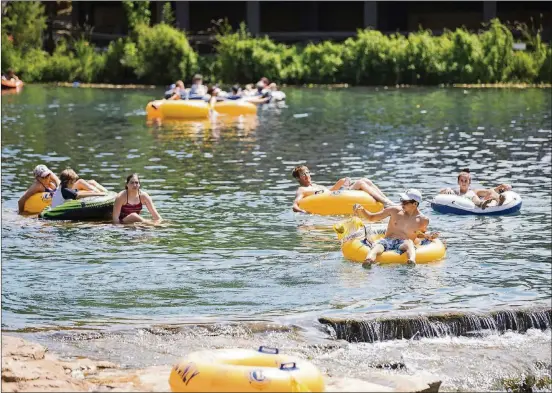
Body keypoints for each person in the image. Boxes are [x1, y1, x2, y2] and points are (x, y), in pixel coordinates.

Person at [353, 189, 439, 266]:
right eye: (402, 200)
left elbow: (419, 235)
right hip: (388, 239)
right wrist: (362, 210)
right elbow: (371, 217)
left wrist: (430, 236)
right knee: (378, 246)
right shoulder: (394, 210)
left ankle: (411, 261)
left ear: (415, 204)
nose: (402, 203)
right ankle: (369, 260)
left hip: (404, 243)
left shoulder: (423, 220)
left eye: (405, 202)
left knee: (409, 244)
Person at [291, 165, 394, 213]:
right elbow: (295, 206)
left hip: (338, 196)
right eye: (303, 174)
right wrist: (304, 212)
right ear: (298, 178)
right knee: (360, 182)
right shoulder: (302, 190)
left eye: (308, 172)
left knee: (365, 180)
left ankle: (388, 202)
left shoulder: (317, 186)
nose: (307, 175)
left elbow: (329, 192)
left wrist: (339, 183)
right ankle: (385, 203)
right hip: (334, 201)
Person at [439, 168, 511, 209]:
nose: (463, 182)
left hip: (475, 203)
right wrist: (446, 189)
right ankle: (482, 203)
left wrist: (501, 186)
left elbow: (489, 191)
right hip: (460, 205)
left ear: (469, 183)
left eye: (466, 181)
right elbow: (440, 194)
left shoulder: (473, 191)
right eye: (461, 180)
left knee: (473, 194)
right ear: (458, 182)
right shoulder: (454, 191)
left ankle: (498, 200)